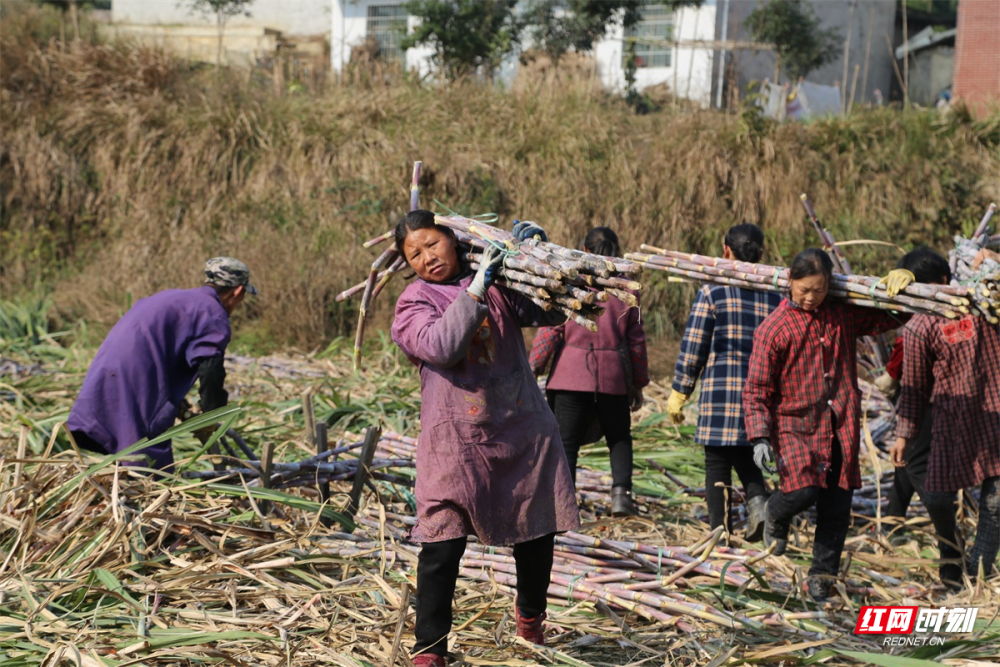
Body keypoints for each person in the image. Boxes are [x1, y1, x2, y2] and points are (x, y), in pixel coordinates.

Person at [390, 211, 580, 666]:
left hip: (520, 429)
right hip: (455, 439)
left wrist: (537, 256)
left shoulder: (497, 281)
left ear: (453, 241)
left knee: (537, 530)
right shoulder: (413, 302)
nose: (426, 258)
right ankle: (430, 648)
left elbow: (550, 310)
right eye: (414, 254)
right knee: (441, 541)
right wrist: (476, 289)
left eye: (432, 245)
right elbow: (440, 346)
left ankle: (531, 617)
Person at [743, 248, 914, 601]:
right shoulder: (773, 329)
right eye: (804, 289)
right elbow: (757, 388)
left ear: (830, 286)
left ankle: (822, 576)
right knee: (802, 491)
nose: (810, 298)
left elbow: (890, 319)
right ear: (789, 281)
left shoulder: (841, 314)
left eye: (818, 290)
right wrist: (759, 436)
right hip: (795, 426)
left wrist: (903, 291)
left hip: (841, 425)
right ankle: (773, 510)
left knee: (837, 505)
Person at [67, 257, 256, 471]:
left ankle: (120, 490)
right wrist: (212, 413)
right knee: (148, 459)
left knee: (120, 442)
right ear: (238, 292)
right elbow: (210, 369)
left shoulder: (171, 297)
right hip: (139, 379)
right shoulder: (213, 312)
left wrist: (182, 405)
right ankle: (143, 493)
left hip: (107, 368)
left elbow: (165, 348)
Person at [667, 224, 780, 540]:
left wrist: (680, 390)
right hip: (761, 395)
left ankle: (718, 530)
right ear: (761, 253)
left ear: (725, 250)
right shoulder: (776, 296)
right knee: (748, 453)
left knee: (716, 463)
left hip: (721, 392)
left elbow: (694, 346)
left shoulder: (713, 291)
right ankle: (759, 503)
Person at [892, 261, 1000, 583]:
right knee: (938, 496)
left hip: (995, 415)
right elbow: (913, 388)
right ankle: (951, 555)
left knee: (995, 502)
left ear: (945, 280)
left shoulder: (985, 306)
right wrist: (904, 435)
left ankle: (978, 570)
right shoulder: (918, 327)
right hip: (951, 421)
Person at [529, 227, 648, 517]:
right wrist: (638, 384)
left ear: (583, 248)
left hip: (570, 377)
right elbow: (636, 343)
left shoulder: (570, 283)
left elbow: (551, 331)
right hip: (613, 379)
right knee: (618, 439)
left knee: (566, 443)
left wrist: (533, 367)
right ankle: (621, 498)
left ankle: (565, 502)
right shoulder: (625, 289)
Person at [874, 248, 963, 587]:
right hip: (922, 403)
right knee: (908, 463)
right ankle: (894, 524)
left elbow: (912, 382)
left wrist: (903, 431)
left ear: (940, 282)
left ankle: (951, 552)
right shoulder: (921, 319)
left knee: (918, 468)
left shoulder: (950, 318)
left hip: (932, 405)